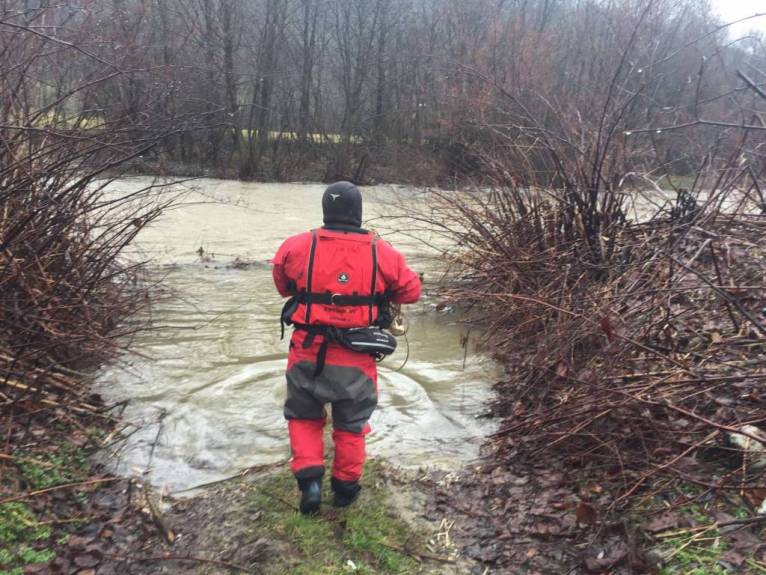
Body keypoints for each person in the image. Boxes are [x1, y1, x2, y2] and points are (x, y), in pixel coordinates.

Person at [271, 181, 421, 514]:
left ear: (327, 210)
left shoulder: (296, 246)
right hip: (356, 357)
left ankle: (309, 481)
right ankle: (344, 489)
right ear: (358, 212)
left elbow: (283, 285)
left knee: (304, 417)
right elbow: (411, 291)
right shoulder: (383, 251)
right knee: (351, 426)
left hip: (306, 351)